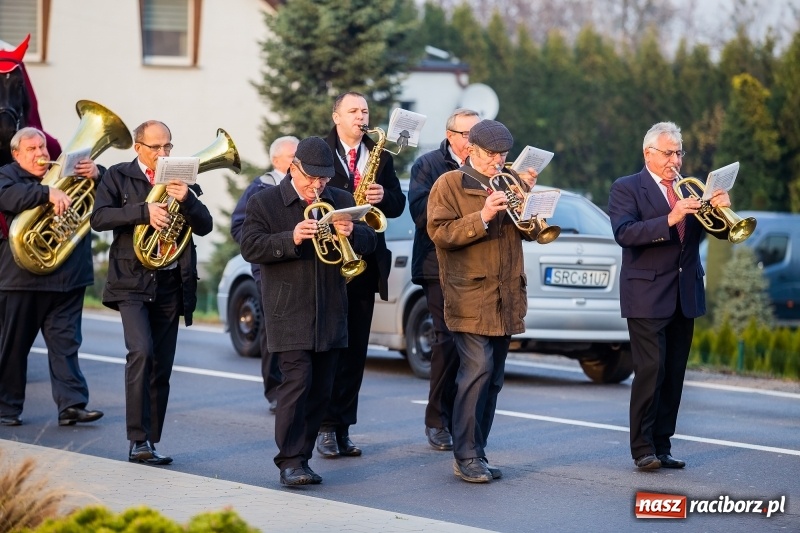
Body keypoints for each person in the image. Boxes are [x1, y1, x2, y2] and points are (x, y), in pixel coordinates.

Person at [239, 136, 376, 486]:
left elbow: (370, 241)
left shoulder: (340, 200)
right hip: (288, 308)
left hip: (331, 307)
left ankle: (304, 456)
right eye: (311, 178)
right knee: (297, 383)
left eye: (324, 179)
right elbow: (250, 246)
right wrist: (292, 237)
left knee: (321, 389)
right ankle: (289, 460)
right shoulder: (264, 202)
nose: (318, 186)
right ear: (293, 167)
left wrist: (354, 233)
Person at [608, 121, 732, 471]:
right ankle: (642, 448)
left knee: (675, 372)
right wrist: (670, 216)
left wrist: (719, 210)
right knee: (651, 369)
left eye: (679, 152)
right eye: (668, 153)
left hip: (684, 292)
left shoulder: (690, 189)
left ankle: (662, 444)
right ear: (648, 153)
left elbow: (717, 235)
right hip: (646, 294)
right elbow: (624, 233)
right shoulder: (626, 188)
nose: (675, 160)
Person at [90, 120, 213, 465]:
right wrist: (144, 212)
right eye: (156, 147)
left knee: (162, 366)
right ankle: (136, 439)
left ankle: (150, 442)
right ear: (138, 147)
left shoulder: (182, 178)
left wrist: (187, 200)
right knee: (141, 353)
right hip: (132, 281)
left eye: (168, 146)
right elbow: (99, 218)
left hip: (171, 283)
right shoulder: (118, 175)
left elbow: (205, 226)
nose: (163, 153)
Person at [427, 119, 538, 483]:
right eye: (491, 155)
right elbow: (440, 234)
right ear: (471, 150)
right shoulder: (449, 184)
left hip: (505, 297)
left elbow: (530, 233)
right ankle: (467, 455)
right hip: (469, 295)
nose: (498, 162)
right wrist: (484, 215)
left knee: (494, 380)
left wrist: (532, 206)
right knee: (477, 372)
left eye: (503, 155)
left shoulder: (509, 182)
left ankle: (479, 450)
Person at [317, 91, 406, 457]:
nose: (360, 116)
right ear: (336, 115)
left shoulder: (379, 154)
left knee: (355, 352)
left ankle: (343, 427)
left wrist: (383, 193)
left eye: (365, 111)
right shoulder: (319, 150)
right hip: (329, 262)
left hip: (365, 262)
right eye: (353, 110)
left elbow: (399, 205)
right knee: (330, 349)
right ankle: (323, 426)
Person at [0, 127, 103, 427]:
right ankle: (6, 408)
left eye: (43, 147)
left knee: (66, 346)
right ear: (16, 154)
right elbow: (6, 197)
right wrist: (46, 192)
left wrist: (98, 174)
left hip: (68, 278)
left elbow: (109, 196)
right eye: (31, 149)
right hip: (20, 279)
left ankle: (71, 406)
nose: (41, 153)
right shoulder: (7, 175)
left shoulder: (66, 170)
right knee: (13, 347)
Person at [409, 108, 480, 451]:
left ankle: (462, 420)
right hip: (436, 265)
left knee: (473, 347)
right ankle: (437, 420)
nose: (474, 142)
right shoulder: (427, 165)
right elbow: (423, 216)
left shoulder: (488, 167)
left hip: (476, 266)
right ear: (451, 135)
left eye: (478, 135)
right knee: (447, 341)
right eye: (468, 135)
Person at [231, 135, 299, 414]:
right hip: (268, 269)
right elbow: (239, 228)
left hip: (300, 267)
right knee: (274, 328)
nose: (297, 161)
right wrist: (272, 244)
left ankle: (295, 387)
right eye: (292, 156)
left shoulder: (307, 186)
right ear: (276, 161)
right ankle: (274, 391)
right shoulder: (261, 188)